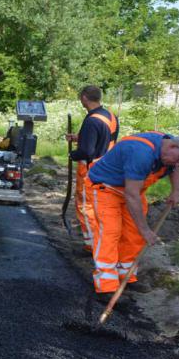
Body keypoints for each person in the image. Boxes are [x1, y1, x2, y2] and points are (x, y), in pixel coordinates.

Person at [84, 132, 179, 301]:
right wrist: (146, 229)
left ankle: (127, 276)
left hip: (133, 190)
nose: (178, 164)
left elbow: (174, 169)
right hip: (106, 188)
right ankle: (106, 287)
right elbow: (131, 194)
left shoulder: (170, 149)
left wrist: (176, 191)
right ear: (173, 146)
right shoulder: (141, 153)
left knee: (134, 235)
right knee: (110, 233)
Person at [65, 85, 119, 252]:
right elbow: (103, 137)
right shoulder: (110, 116)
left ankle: (92, 245)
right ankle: (100, 240)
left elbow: (86, 151)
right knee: (100, 207)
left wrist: (72, 155)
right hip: (108, 167)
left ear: (84, 98)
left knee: (85, 207)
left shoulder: (91, 120)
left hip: (90, 171)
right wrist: (79, 137)